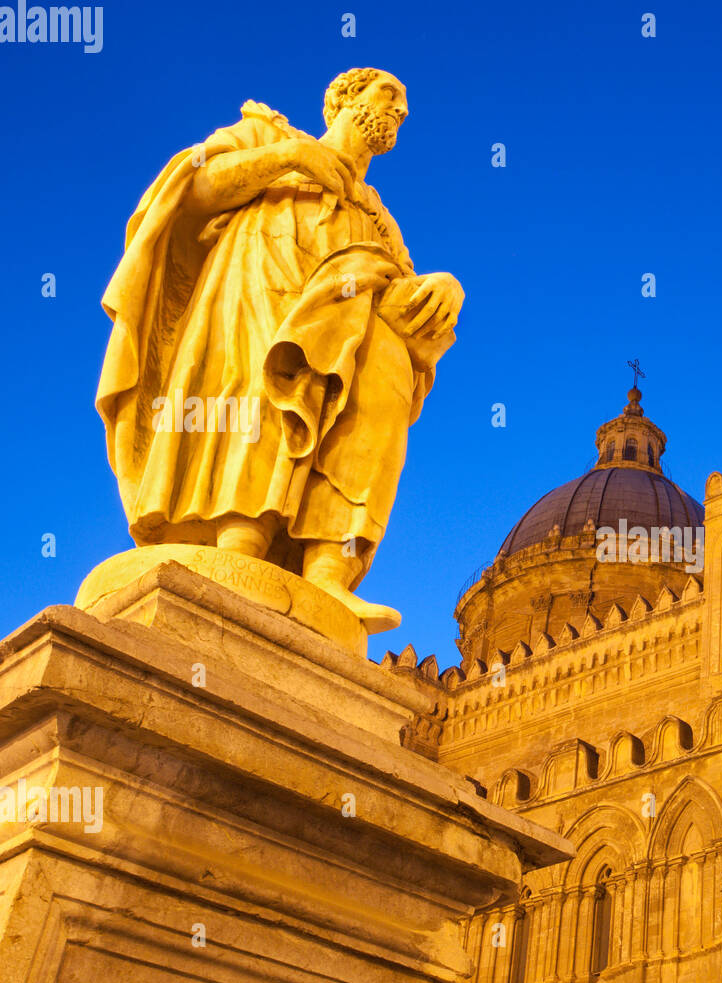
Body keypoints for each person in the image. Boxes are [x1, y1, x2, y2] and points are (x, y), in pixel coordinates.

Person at [95, 68, 463, 631]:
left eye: (405, 104)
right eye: (389, 94)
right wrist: (290, 158)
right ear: (344, 98)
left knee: (380, 383)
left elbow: (406, 294)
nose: (401, 111)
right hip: (256, 286)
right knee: (255, 389)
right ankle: (237, 542)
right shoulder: (265, 134)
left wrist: (443, 292)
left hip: (354, 320)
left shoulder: (377, 218)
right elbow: (194, 189)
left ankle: (327, 572)